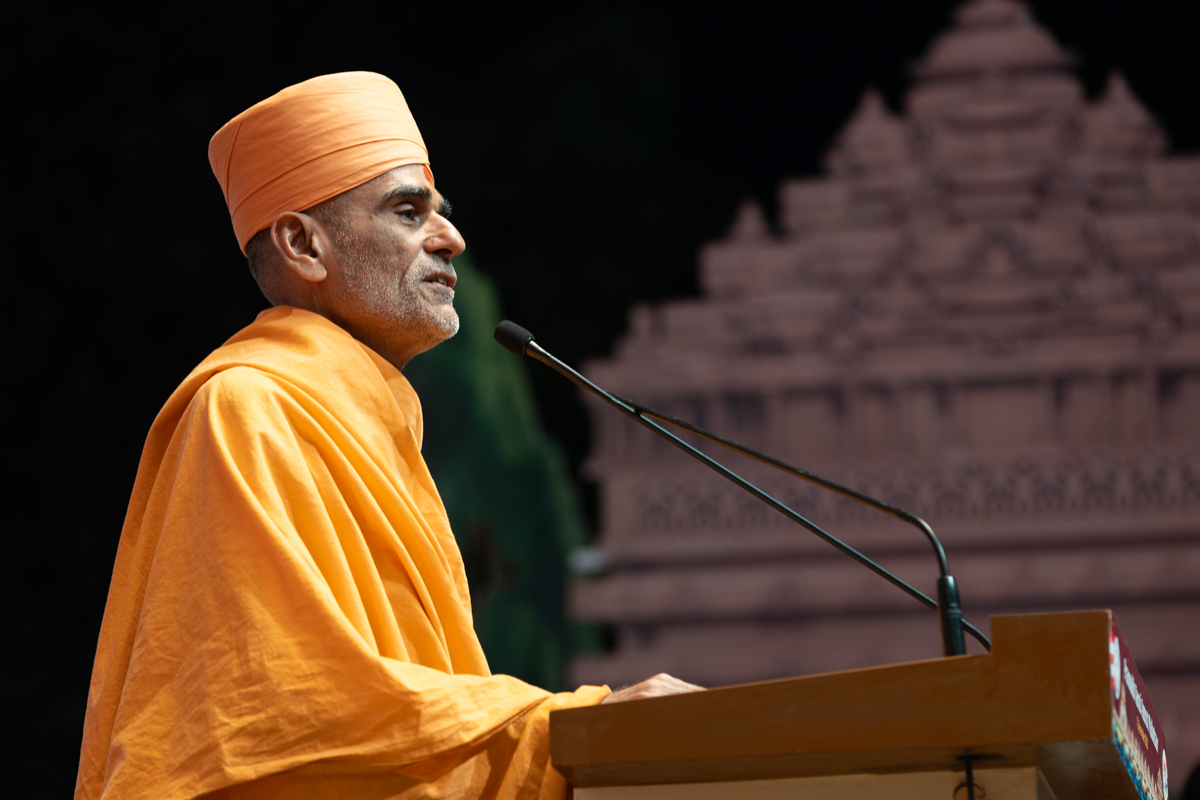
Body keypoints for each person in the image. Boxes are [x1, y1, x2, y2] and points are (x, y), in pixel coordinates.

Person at [74, 72, 701, 800]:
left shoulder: (370, 415)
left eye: (442, 211)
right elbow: (285, 713)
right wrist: (579, 724)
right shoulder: (246, 408)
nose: (453, 238)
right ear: (303, 245)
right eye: (409, 211)